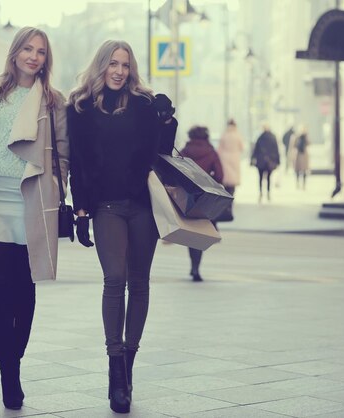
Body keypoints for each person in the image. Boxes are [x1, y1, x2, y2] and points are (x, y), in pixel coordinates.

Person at [0, 27, 68, 410]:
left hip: (31, 199)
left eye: (40, 52)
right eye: (27, 49)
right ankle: (8, 371)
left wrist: (55, 185)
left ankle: (13, 358)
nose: (33, 57)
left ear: (45, 59)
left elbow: (63, 155)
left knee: (25, 285)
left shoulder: (53, 101)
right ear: (15, 51)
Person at [66, 39, 177, 414]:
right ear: (101, 65)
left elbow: (160, 155)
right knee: (114, 279)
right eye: (113, 63)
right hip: (106, 207)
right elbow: (77, 165)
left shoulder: (144, 106)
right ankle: (115, 369)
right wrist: (80, 210)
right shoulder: (79, 107)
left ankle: (129, 367)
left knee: (140, 282)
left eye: (125, 65)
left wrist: (166, 119)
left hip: (142, 207)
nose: (119, 71)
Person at [180, 125, 223, 282]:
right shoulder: (211, 152)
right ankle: (196, 267)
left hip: (187, 197)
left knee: (192, 233)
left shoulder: (184, 152)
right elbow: (219, 174)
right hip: (206, 198)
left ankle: (193, 265)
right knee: (201, 232)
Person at [250, 124, 280, 202]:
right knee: (269, 178)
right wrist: (278, 161)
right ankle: (268, 193)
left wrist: (252, 159)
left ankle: (260, 193)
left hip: (260, 161)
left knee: (260, 178)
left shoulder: (260, 137)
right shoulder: (273, 137)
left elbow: (255, 150)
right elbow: (276, 150)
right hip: (270, 161)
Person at [217, 118, 244, 196]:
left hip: (224, 158)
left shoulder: (224, 135)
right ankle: (232, 195)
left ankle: (226, 196)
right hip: (235, 158)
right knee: (233, 180)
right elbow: (242, 147)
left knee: (226, 179)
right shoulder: (237, 135)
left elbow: (219, 149)